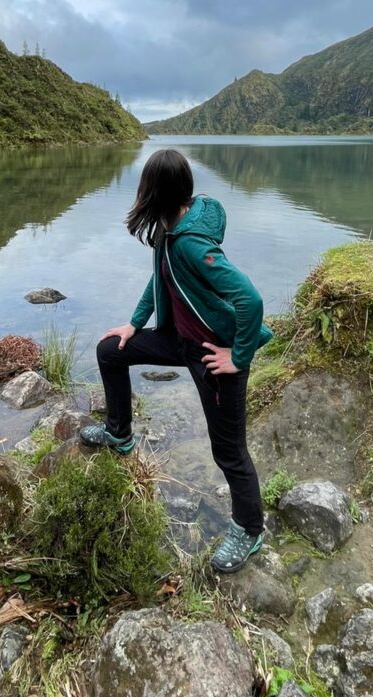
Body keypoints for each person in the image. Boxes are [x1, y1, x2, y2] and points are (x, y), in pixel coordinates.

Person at [79, 147, 273, 573]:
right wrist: (133, 324)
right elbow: (159, 279)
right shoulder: (170, 231)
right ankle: (119, 434)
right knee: (110, 350)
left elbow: (250, 299)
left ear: (157, 193)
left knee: (229, 451)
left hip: (211, 354)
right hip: (178, 341)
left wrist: (237, 356)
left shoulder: (189, 243)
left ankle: (250, 528)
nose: (139, 194)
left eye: (144, 186)